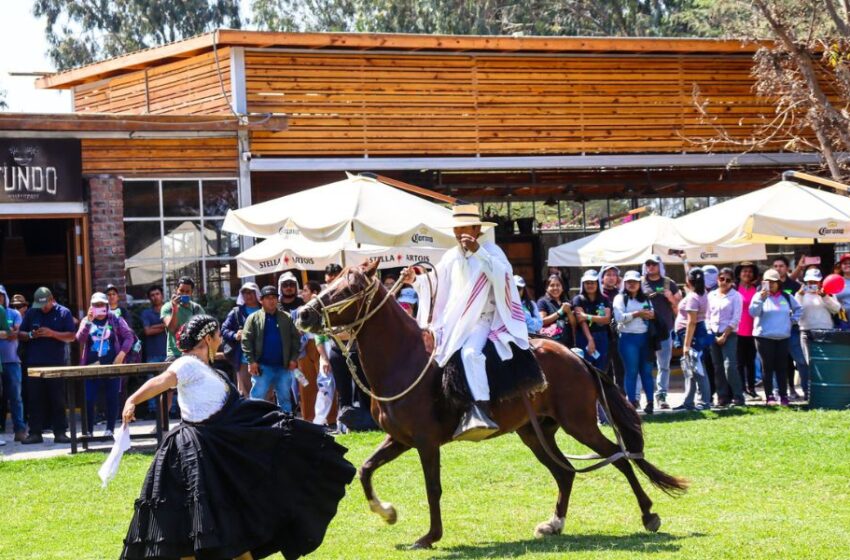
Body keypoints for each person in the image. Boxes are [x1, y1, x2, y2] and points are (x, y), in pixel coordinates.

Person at [119, 315, 356, 560]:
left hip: (217, 446)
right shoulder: (186, 364)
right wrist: (132, 400)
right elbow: (162, 381)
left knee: (229, 511)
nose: (221, 339)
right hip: (196, 451)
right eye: (218, 335)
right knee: (193, 520)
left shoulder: (209, 370)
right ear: (208, 338)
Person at [403, 204, 530, 441]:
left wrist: (479, 251)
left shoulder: (492, 251)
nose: (459, 233)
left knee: (471, 353)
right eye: (456, 228)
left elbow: (503, 277)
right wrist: (415, 280)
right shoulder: (451, 255)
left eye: (464, 228)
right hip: (454, 322)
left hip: (484, 320)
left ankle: (481, 410)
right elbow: (435, 282)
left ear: (477, 228)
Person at [18, 287, 76, 444]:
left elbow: (71, 336)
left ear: (51, 299)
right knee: (34, 399)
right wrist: (31, 334)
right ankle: (35, 433)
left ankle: (60, 432)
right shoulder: (31, 312)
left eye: (45, 304)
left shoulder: (63, 313)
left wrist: (52, 333)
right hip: (34, 363)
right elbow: (20, 334)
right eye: (40, 305)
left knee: (57, 398)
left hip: (55, 363)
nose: (43, 308)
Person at [76, 292, 135, 436]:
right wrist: (89, 321)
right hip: (91, 367)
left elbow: (129, 337)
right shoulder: (86, 320)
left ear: (107, 305)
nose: (99, 307)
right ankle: (88, 430)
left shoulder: (115, 319)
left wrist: (121, 355)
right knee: (89, 399)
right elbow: (79, 339)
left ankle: (109, 429)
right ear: (91, 306)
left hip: (112, 365)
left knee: (112, 397)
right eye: (96, 305)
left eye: (102, 305)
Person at [241, 286, 301, 413]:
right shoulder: (253, 318)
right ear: (261, 300)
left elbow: (296, 339)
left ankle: (287, 425)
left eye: (274, 297)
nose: (272, 300)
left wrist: (293, 359)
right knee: (257, 398)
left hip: (283, 366)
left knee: (285, 398)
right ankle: (256, 424)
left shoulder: (287, 317)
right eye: (268, 298)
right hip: (262, 367)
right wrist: (251, 361)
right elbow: (246, 340)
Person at [750, 269, 803, 406]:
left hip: (783, 337)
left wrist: (792, 321)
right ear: (763, 283)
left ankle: (783, 396)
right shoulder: (758, 296)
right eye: (768, 282)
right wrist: (761, 299)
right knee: (767, 368)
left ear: (779, 283)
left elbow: (799, 309)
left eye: (774, 282)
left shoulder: (786, 296)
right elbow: (753, 312)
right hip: (764, 337)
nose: (771, 284)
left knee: (782, 368)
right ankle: (769, 396)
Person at [641, 254, 681, 410]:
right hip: (644, 330)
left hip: (665, 329)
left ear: (659, 266)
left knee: (663, 365)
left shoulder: (668, 283)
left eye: (654, 264)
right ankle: (640, 397)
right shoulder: (640, 282)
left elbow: (680, 304)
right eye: (648, 264)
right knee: (643, 364)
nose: (651, 267)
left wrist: (670, 298)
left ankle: (662, 396)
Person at [613, 270, 656, 414]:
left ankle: (650, 402)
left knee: (647, 372)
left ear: (640, 283)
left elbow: (652, 313)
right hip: (628, 338)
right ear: (624, 283)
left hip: (645, 338)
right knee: (631, 371)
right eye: (629, 282)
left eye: (635, 282)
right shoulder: (620, 298)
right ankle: (631, 403)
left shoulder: (646, 298)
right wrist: (638, 314)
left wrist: (648, 314)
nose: (632, 284)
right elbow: (619, 317)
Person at [796, 268, 840, 400]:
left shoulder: (828, 293)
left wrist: (824, 296)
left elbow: (836, 309)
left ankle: (826, 392)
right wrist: (800, 295)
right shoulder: (800, 294)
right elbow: (795, 311)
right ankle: (811, 393)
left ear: (821, 282)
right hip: (806, 331)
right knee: (810, 363)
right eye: (809, 282)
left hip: (826, 331)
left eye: (815, 282)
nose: (812, 285)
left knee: (826, 363)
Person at [673, 268, 713, 411]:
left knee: (697, 370)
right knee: (690, 369)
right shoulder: (701, 293)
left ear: (689, 281)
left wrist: (686, 345)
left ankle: (704, 402)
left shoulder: (692, 297)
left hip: (692, 334)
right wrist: (684, 261)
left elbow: (692, 322)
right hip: (696, 333)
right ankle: (688, 402)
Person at [707, 268, 745, 407]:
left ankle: (738, 396)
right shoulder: (711, 295)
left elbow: (736, 318)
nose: (724, 282)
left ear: (733, 282)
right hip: (713, 333)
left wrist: (724, 335)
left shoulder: (736, 296)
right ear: (717, 279)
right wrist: (711, 332)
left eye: (728, 280)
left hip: (729, 334)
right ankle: (722, 397)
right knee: (717, 367)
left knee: (730, 366)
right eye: (721, 279)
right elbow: (707, 316)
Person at [772, 255, 806, 400]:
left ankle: (805, 390)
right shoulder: (768, 286)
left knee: (800, 360)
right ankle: (779, 391)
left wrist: (793, 320)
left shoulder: (794, 285)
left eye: (781, 266)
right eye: (776, 266)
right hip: (773, 330)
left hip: (791, 330)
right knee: (778, 362)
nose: (778, 268)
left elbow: (800, 306)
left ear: (787, 268)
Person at [221, 282, 262, 397]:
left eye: (251, 292)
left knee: (266, 392)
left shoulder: (265, 309)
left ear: (257, 293)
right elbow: (224, 329)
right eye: (244, 293)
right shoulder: (236, 312)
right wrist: (235, 335)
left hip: (265, 359)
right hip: (244, 360)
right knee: (247, 393)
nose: (248, 295)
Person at [0, 285, 26, 442]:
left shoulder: (14, 313)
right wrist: (7, 333)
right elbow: (9, 333)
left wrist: (8, 333)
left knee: (16, 397)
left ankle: (20, 429)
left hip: (12, 361)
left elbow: (15, 334)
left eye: (1, 295)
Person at [573, 269, 612, 370]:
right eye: (587, 283)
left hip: (602, 336)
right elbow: (581, 321)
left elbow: (607, 319)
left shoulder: (604, 299)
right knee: (586, 368)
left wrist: (587, 316)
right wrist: (590, 340)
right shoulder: (578, 299)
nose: (590, 285)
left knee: (601, 368)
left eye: (592, 282)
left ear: (597, 283)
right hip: (584, 336)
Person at [161, 276, 205, 361]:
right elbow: (172, 329)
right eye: (181, 290)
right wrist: (175, 309)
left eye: (187, 291)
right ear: (176, 290)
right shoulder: (168, 307)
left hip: (193, 353)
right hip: (175, 354)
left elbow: (204, 331)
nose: (184, 293)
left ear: (191, 292)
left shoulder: (196, 308)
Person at [735, 262, 760, 398]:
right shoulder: (734, 289)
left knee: (751, 362)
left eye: (750, 271)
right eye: (744, 271)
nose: (747, 274)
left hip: (753, 331)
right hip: (737, 331)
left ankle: (752, 388)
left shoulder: (757, 289)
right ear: (739, 273)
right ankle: (742, 389)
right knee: (739, 363)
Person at [599, 264, 625, 390]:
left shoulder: (621, 294)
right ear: (602, 277)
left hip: (618, 334)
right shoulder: (598, 293)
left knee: (620, 367)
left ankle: (622, 395)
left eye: (614, 275)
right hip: (603, 334)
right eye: (608, 274)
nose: (611, 278)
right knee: (605, 368)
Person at [536, 274, 576, 348]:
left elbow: (574, 324)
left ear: (562, 288)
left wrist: (569, 312)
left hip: (568, 343)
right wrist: (560, 311)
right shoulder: (542, 302)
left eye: (558, 285)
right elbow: (541, 321)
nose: (555, 288)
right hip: (551, 344)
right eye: (552, 285)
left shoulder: (566, 302)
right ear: (547, 288)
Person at [833, 253, 850, 329]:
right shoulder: (836, 281)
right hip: (842, 316)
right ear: (841, 266)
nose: (847, 265)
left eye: (849, 263)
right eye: (845, 263)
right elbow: (831, 299)